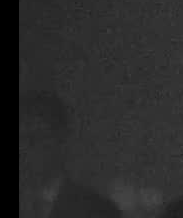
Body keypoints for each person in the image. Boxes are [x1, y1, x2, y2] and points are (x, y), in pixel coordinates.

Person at [21, 89, 124, 218]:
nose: (24, 148)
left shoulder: (97, 210)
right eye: (21, 139)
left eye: (35, 138)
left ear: (61, 141)